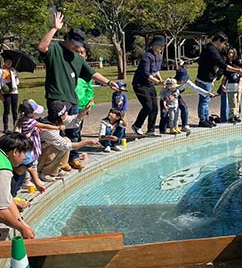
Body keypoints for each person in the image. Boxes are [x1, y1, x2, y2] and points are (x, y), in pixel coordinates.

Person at [38, 12, 119, 170]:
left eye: (79, 45)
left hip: (72, 99)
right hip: (56, 99)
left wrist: (109, 82)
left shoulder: (78, 58)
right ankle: (56, 164)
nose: (77, 47)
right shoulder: (55, 49)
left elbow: (92, 73)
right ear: (67, 39)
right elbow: (42, 47)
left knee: (74, 130)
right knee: (58, 133)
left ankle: (73, 158)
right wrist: (55, 28)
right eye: (74, 43)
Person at [38, 101, 101, 181]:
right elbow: (65, 146)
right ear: (60, 117)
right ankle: (46, 173)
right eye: (65, 113)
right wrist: (86, 142)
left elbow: (74, 120)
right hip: (39, 159)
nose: (67, 113)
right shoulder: (48, 130)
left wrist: (85, 110)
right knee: (61, 145)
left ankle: (58, 167)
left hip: (45, 153)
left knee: (66, 139)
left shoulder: (56, 121)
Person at [195, 33, 242, 128]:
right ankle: (202, 120)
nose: (223, 46)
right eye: (223, 43)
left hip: (207, 79)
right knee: (204, 100)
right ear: (219, 41)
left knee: (206, 100)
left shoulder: (209, 48)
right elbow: (222, 64)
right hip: (204, 79)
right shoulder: (211, 50)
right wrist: (237, 70)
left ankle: (206, 118)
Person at [131, 35, 166, 136]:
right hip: (140, 84)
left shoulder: (160, 55)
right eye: (160, 46)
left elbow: (156, 70)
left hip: (150, 84)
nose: (162, 48)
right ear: (154, 45)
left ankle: (151, 130)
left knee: (155, 107)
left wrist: (160, 79)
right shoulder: (146, 56)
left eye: (163, 46)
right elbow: (146, 74)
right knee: (148, 106)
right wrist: (157, 81)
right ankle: (137, 125)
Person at [0, 59, 19, 133]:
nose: (9, 64)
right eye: (7, 62)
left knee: (15, 111)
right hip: (5, 92)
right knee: (6, 110)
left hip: (14, 92)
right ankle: (5, 128)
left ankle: (16, 127)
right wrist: (0, 94)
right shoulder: (0, 71)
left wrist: (14, 76)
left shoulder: (14, 71)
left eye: (10, 62)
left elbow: (17, 82)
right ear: (4, 63)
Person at [219, 56, 242, 123]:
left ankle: (236, 115)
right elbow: (224, 79)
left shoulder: (240, 72)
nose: (239, 67)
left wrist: (240, 86)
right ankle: (231, 116)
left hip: (238, 89)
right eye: (237, 65)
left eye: (240, 66)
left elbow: (241, 79)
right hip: (231, 88)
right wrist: (223, 85)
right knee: (232, 103)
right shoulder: (230, 71)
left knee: (238, 102)